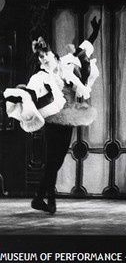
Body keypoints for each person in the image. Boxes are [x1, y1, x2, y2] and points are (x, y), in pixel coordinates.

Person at [4, 17, 101, 214]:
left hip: (69, 116)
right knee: (52, 161)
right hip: (53, 118)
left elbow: (84, 50)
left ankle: (44, 198)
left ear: (53, 54)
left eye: (45, 54)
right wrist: (12, 95)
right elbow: (30, 94)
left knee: (56, 162)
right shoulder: (39, 77)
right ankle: (44, 197)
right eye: (40, 57)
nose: (44, 59)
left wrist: (95, 32)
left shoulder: (67, 65)